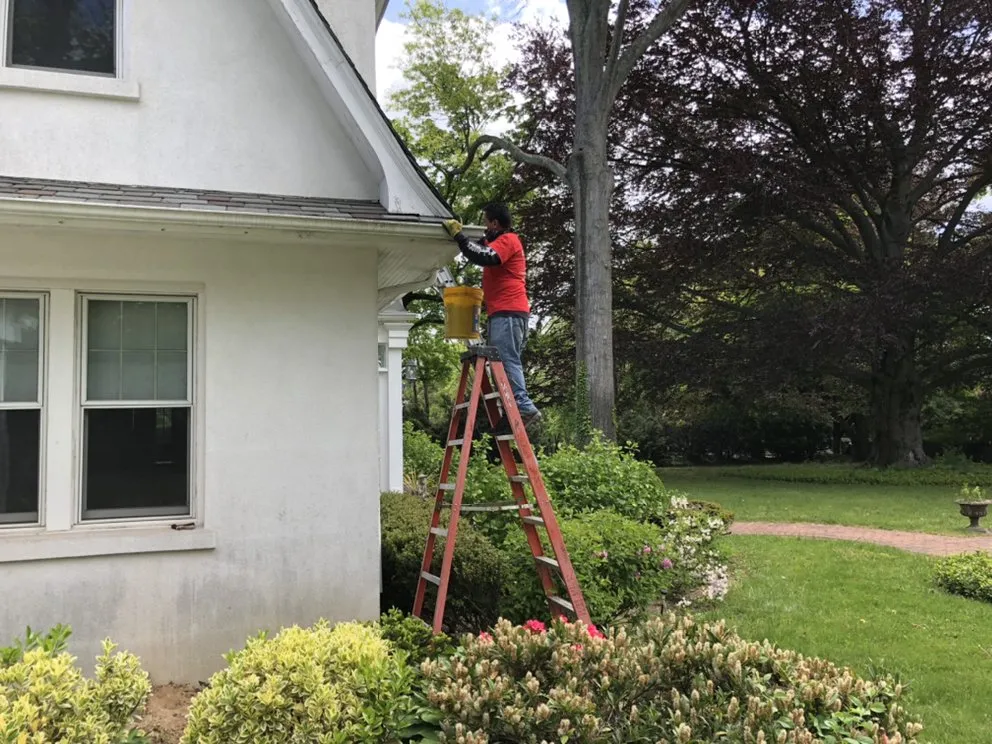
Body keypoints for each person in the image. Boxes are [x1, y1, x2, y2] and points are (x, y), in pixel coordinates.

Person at [443, 203, 541, 434]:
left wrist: (460, 237)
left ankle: (523, 406)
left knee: (508, 360)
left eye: (486, 222)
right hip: (504, 312)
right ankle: (515, 408)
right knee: (505, 360)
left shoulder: (509, 241)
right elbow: (480, 247)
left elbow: (485, 256)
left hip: (508, 312)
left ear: (495, 223)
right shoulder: (498, 241)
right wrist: (466, 240)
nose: (485, 228)